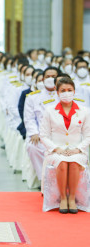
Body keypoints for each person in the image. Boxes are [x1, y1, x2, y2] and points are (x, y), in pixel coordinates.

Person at [40, 77, 90, 213]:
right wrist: (56, 148)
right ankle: (63, 198)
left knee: (74, 163)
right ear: (57, 92)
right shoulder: (49, 110)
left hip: (77, 150)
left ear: (74, 91)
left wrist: (78, 149)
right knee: (62, 163)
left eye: (69, 90)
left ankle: (72, 198)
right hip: (56, 150)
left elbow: (88, 135)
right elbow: (43, 135)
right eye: (63, 90)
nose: (66, 93)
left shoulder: (84, 110)